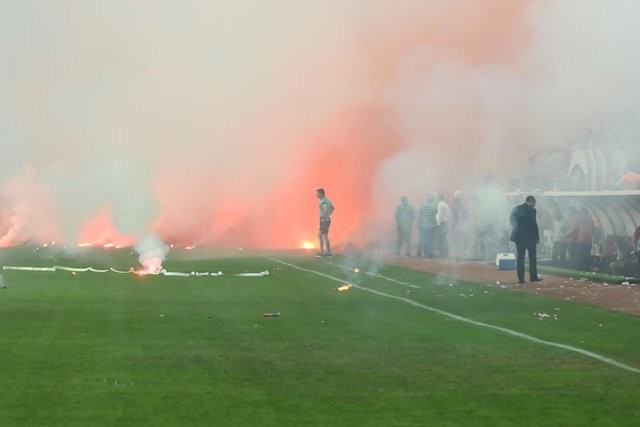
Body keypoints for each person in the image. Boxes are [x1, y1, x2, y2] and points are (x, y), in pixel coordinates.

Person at [509, 195, 541, 283]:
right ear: (531, 201)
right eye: (534, 203)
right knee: (532, 257)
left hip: (519, 237)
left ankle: (521, 278)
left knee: (520, 257)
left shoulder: (516, 208)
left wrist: (518, 228)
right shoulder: (532, 210)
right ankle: (533, 277)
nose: (535, 205)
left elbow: (511, 221)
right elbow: (534, 225)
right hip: (530, 237)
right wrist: (537, 237)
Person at [416, 194, 438, 259]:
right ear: (432, 200)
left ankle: (418, 255)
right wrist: (435, 225)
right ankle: (429, 255)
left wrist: (418, 224)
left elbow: (420, 216)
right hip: (431, 226)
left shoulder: (422, 206)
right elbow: (435, 217)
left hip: (422, 226)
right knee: (430, 241)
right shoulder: (434, 207)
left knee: (421, 241)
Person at [315, 188, 335, 257]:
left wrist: (325, 218)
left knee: (324, 236)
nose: (316, 195)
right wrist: (328, 215)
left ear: (321, 194)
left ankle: (328, 253)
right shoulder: (327, 200)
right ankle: (322, 252)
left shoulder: (323, 201)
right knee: (320, 235)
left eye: (317, 193)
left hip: (324, 220)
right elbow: (333, 208)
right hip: (325, 219)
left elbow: (326, 209)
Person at [436, 193, 451, 258]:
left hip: (442, 223)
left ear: (439, 198)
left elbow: (439, 214)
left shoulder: (440, 204)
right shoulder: (446, 204)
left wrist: (438, 223)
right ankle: (445, 253)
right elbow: (449, 214)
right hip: (445, 222)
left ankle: (442, 254)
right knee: (444, 238)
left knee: (441, 239)